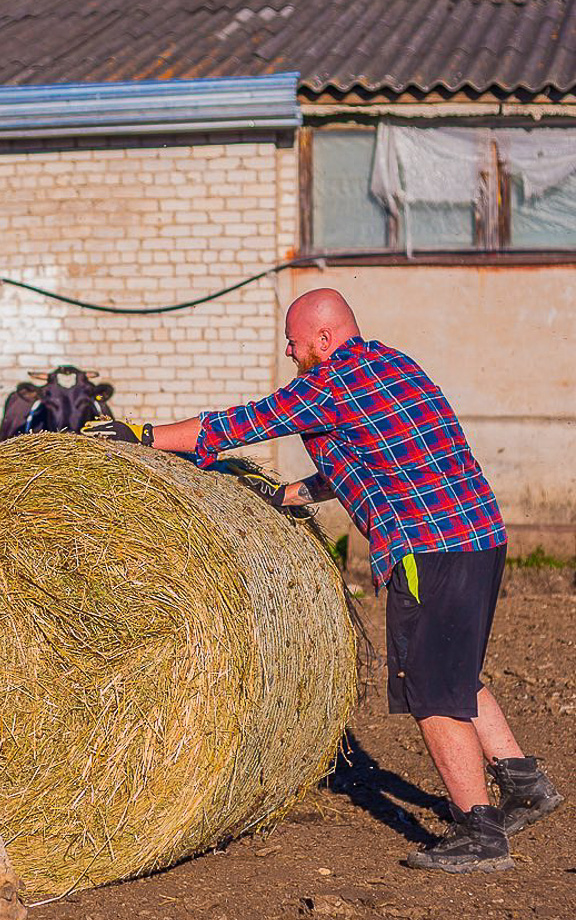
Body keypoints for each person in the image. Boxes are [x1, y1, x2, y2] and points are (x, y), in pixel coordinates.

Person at [83, 288, 561, 873]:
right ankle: (524, 782)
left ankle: (480, 832)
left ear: (325, 339)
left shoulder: (331, 383)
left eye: (294, 339)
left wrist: (144, 435)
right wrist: (288, 495)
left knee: (431, 690)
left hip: (426, 550)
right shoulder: (393, 365)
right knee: (456, 671)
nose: (289, 350)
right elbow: (371, 459)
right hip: (480, 538)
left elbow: (243, 423)